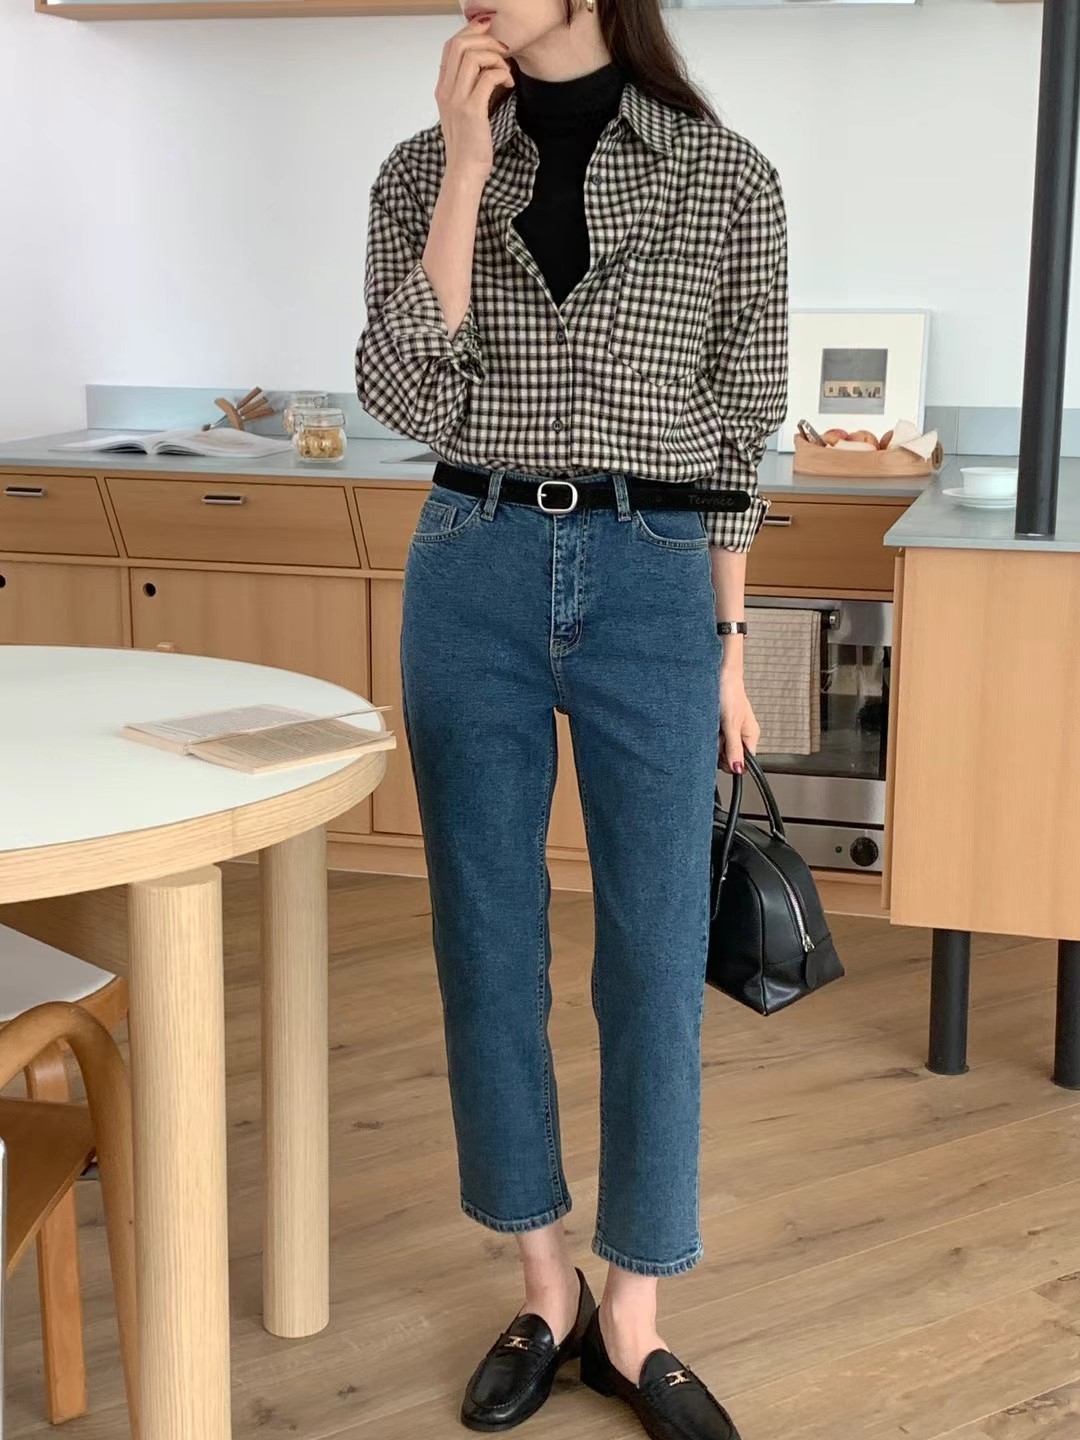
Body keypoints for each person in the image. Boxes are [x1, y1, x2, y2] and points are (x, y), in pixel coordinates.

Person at [355, 2, 788, 1435]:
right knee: (486, 941)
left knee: (654, 953)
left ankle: (634, 1314)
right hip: (468, 562)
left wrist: (729, 650)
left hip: (655, 577)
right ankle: (546, 1289)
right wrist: (466, 172)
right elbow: (403, 389)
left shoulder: (724, 174)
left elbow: (739, 433)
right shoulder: (422, 169)